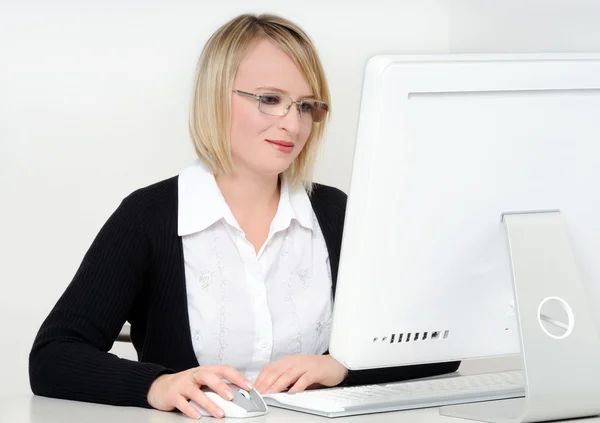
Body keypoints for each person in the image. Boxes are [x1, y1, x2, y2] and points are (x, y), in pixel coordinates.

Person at [28, 13, 459, 420]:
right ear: (216, 96)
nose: (293, 125)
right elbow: (53, 355)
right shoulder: (150, 216)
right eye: (271, 100)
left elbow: (438, 346)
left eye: (306, 106)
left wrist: (342, 368)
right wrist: (157, 384)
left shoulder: (334, 214)